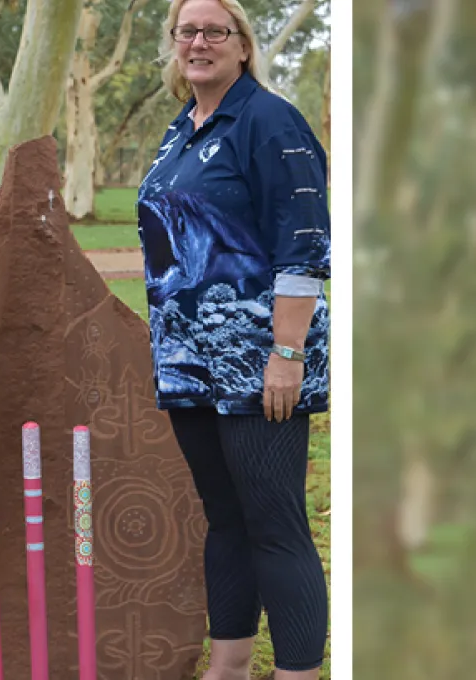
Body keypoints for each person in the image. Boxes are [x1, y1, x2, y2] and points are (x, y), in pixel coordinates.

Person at [137, 0, 330, 678]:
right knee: (225, 520)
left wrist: (286, 354)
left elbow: (303, 246)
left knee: (275, 523)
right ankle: (230, 666)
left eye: (214, 31)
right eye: (186, 31)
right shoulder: (180, 131)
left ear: (242, 45)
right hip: (190, 366)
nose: (198, 42)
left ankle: (298, 672)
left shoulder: (269, 121)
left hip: (256, 363)